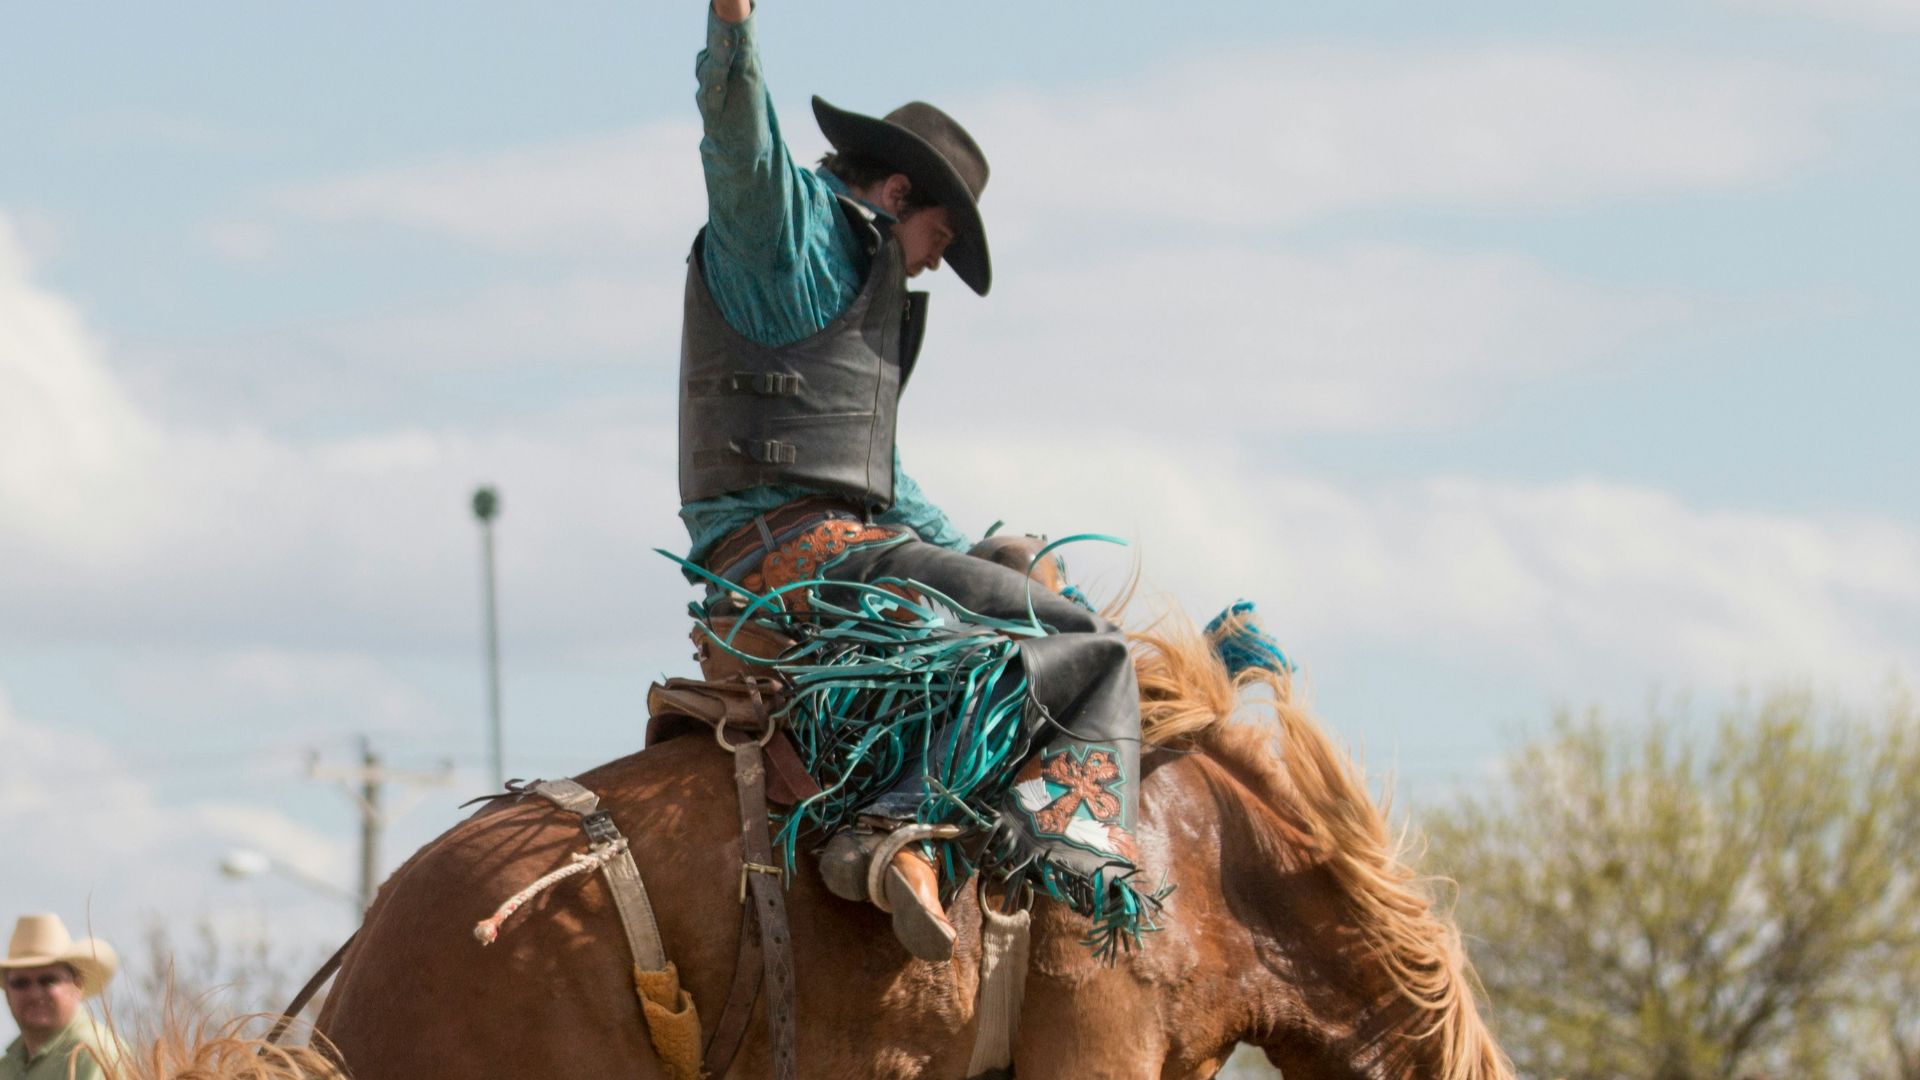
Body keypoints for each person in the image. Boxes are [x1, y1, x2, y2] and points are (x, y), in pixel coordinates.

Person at [676, 0, 1156, 963]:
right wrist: (733, 29)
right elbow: (741, 144)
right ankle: (910, 826)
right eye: (940, 235)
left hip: (818, 555)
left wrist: (990, 551)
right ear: (898, 191)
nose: (935, 259)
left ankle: (899, 830)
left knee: (1015, 598)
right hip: (813, 564)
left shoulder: (845, 279)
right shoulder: (792, 235)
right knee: (1090, 653)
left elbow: (881, 485)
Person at [1, 915, 128, 1080]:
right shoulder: (7, 1067)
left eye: (48, 981)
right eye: (21, 983)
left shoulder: (94, 1054)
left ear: (78, 985)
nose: (34, 994)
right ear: (7, 991)